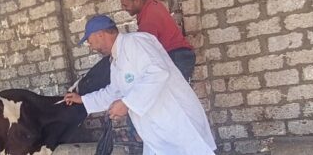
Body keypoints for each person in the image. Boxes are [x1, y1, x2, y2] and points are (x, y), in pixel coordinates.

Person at [64, 15, 216, 155]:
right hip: (157, 130)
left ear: (100, 34)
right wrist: (83, 100)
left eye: (89, 41)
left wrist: (127, 103)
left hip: (176, 121)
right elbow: (114, 92)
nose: (91, 47)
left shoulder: (135, 42)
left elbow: (158, 72)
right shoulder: (116, 60)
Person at [119, 0, 196, 82]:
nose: (123, 8)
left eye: (125, 5)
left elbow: (145, 49)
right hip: (179, 55)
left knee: (172, 91)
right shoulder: (150, 2)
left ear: (137, 1)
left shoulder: (149, 18)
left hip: (176, 57)